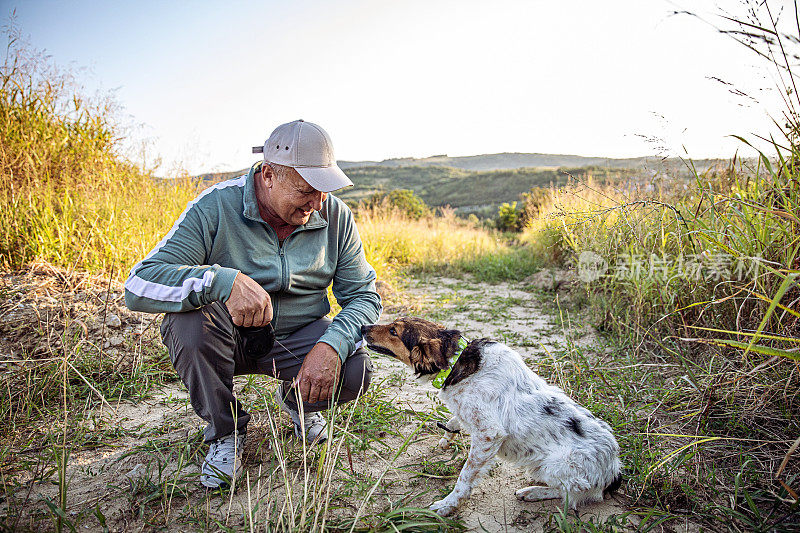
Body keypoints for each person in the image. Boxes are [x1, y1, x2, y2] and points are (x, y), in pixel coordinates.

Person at [124, 119, 382, 489]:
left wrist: (331, 345)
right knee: (187, 326)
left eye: (324, 189)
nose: (317, 202)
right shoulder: (215, 206)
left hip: (296, 338)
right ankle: (225, 434)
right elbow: (140, 283)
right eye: (306, 189)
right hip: (227, 339)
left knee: (355, 369)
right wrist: (221, 281)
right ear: (268, 175)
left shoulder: (335, 215)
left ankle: (299, 403)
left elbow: (362, 295)